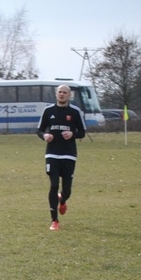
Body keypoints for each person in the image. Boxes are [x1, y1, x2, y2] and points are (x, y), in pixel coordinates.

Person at [36, 85, 86, 230]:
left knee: (67, 190)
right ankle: (54, 221)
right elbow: (39, 130)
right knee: (53, 185)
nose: (62, 94)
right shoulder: (48, 110)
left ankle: (62, 199)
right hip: (52, 153)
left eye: (65, 92)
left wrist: (72, 134)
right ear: (56, 94)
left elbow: (82, 132)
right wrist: (44, 135)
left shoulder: (75, 112)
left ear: (69, 95)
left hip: (69, 154)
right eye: (60, 92)